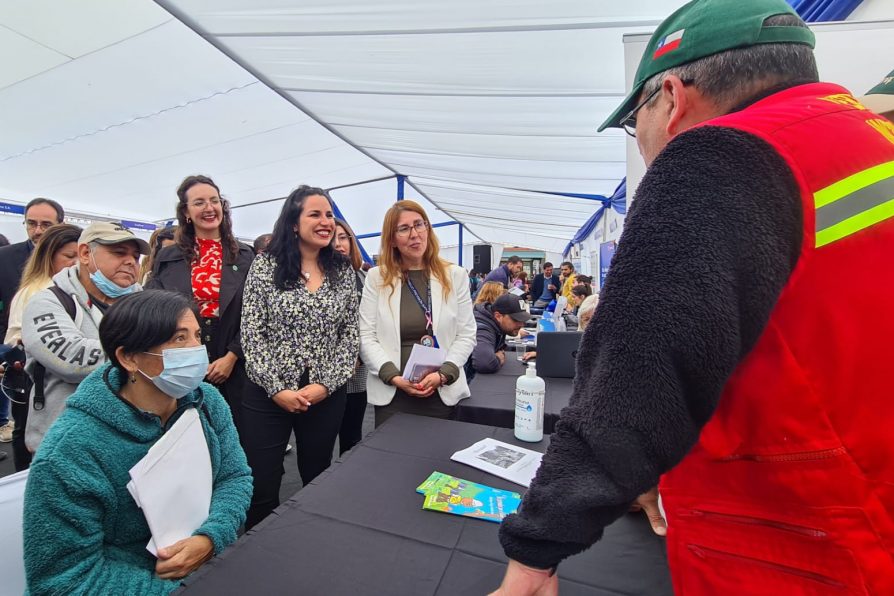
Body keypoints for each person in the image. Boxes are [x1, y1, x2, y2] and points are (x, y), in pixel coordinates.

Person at [493, 1, 894, 594]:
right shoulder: (871, 139)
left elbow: (634, 382)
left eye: (636, 123)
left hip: (795, 542)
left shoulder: (717, 156)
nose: (644, 143)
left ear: (673, 99)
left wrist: (533, 559)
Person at [23, 290, 252, 595]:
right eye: (179, 339)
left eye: (197, 336)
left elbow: (234, 476)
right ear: (128, 357)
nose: (197, 350)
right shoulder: (69, 453)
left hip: (207, 567)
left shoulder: (207, 401)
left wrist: (210, 539)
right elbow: (63, 581)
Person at [240, 185, 359, 529]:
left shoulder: (342, 272)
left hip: (325, 394)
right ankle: (258, 553)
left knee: (318, 478)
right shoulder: (265, 266)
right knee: (261, 483)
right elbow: (252, 333)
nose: (325, 222)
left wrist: (326, 384)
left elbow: (349, 336)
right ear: (294, 222)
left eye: (329, 215)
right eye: (315, 214)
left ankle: (310, 545)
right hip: (267, 394)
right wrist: (276, 389)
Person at [21, 222, 147, 453]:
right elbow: (71, 360)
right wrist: (145, 355)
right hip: (67, 445)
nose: (130, 261)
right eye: (119, 253)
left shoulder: (145, 304)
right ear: (86, 254)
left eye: (136, 257)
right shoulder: (47, 302)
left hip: (131, 442)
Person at [147, 176, 256, 433]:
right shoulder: (167, 257)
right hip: (182, 356)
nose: (209, 208)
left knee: (236, 434)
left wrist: (232, 356)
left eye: (214, 201)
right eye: (199, 203)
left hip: (235, 359)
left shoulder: (245, 255)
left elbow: (257, 313)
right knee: (187, 434)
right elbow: (154, 307)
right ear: (186, 212)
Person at [359, 200, 476, 427]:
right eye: (404, 229)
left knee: (438, 458)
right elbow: (366, 335)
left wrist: (444, 374)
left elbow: (467, 333)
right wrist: (392, 376)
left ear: (428, 229)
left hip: (441, 391)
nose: (414, 234)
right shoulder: (376, 278)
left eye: (419, 225)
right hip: (394, 392)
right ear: (392, 239)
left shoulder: (455, 275)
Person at [3, 223, 81, 469]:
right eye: (70, 256)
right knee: (29, 434)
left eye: (83, 255)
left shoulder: (77, 290)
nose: (77, 262)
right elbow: (14, 338)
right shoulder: (37, 293)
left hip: (59, 387)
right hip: (33, 381)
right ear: (49, 256)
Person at [0, 198, 65, 341]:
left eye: (46, 225)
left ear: (61, 225)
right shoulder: (4, 257)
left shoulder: (72, 260)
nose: (38, 230)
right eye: (31, 223)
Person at [333, 218, 368, 455]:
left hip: (357, 373)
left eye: (343, 237)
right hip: (324, 374)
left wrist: (359, 354)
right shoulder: (314, 277)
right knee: (320, 440)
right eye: (332, 238)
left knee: (352, 436)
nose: (338, 244)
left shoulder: (363, 277)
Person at [465, 294, 530, 381]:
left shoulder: (495, 324)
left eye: (522, 320)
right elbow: (484, 363)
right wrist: (498, 359)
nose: (521, 324)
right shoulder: (482, 328)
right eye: (516, 320)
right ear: (498, 316)